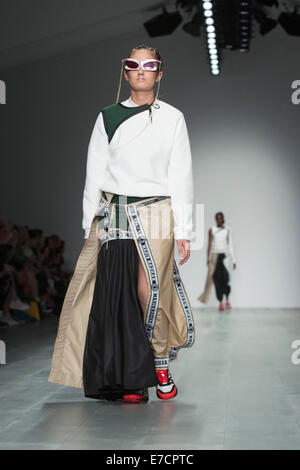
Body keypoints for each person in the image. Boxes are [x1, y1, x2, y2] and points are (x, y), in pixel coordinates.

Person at [48, 44, 195, 403]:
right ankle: (131, 378)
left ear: (159, 73)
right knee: (119, 294)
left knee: (150, 290)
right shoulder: (108, 117)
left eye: (150, 65)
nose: (141, 70)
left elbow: (182, 175)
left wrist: (185, 230)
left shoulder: (173, 118)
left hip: (158, 212)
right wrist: (88, 227)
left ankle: (160, 362)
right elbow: (93, 175)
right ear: (125, 72)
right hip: (114, 213)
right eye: (134, 64)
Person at [198, 212, 236, 311]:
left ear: (223, 219)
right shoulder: (212, 230)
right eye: (217, 218)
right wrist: (207, 258)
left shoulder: (228, 230)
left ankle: (227, 300)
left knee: (226, 279)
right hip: (214, 256)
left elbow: (230, 245)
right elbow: (209, 245)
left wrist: (234, 260)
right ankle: (220, 302)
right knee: (216, 280)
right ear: (215, 219)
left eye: (220, 218)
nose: (218, 220)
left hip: (225, 256)